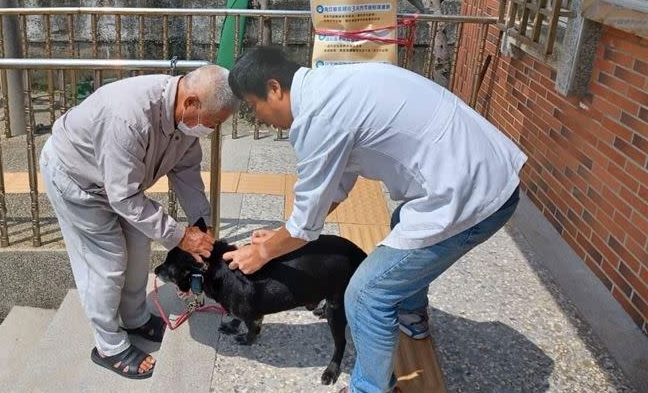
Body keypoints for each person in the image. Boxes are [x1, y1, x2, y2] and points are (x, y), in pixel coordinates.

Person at [223, 46, 526, 393]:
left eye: (252, 104)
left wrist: (262, 253)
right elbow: (331, 191)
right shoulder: (329, 86)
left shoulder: (318, 118)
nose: (257, 115)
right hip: (481, 170)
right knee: (403, 222)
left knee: (366, 295)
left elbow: (306, 221)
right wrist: (281, 236)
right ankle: (411, 315)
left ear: (274, 88)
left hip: (474, 192)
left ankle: (369, 388)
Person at [40, 65, 239, 379]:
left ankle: (134, 318)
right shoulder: (127, 117)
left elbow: (187, 173)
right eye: (212, 122)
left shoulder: (185, 123)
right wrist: (180, 236)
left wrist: (202, 223)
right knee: (106, 261)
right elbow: (123, 198)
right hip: (78, 181)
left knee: (138, 246)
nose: (211, 130)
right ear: (191, 104)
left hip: (121, 186)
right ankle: (109, 346)